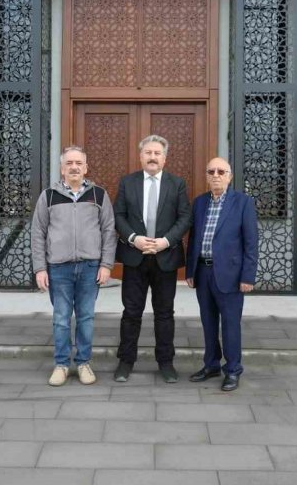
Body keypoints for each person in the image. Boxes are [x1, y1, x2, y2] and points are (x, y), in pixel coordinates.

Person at [31, 146, 117, 387]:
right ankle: (61, 365)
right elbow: (38, 233)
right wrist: (40, 268)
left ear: (86, 167)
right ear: (62, 168)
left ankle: (83, 363)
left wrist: (106, 264)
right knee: (61, 318)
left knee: (86, 318)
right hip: (59, 268)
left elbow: (109, 231)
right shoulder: (48, 196)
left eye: (79, 163)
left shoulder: (99, 195)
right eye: (69, 163)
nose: (74, 167)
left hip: (90, 267)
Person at [112, 135, 192, 383]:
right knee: (131, 312)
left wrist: (165, 241)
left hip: (165, 257)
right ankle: (125, 362)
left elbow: (184, 217)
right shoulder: (128, 182)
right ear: (141, 156)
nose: (153, 157)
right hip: (135, 256)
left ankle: (166, 363)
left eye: (157, 153)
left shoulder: (176, 184)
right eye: (148, 152)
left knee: (165, 313)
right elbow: (118, 215)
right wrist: (134, 238)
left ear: (165, 158)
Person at [185, 157, 258, 392]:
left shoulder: (243, 202)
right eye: (211, 171)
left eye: (221, 171)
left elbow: (251, 242)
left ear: (229, 176)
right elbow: (194, 238)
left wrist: (248, 277)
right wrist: (190, 270)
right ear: (206, 176)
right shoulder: (199, 203)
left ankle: (233, 369)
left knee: (230, 324)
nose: (216, 175)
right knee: (208, 323)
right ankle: (211, 365)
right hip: (203, 272)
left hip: (231, 275)